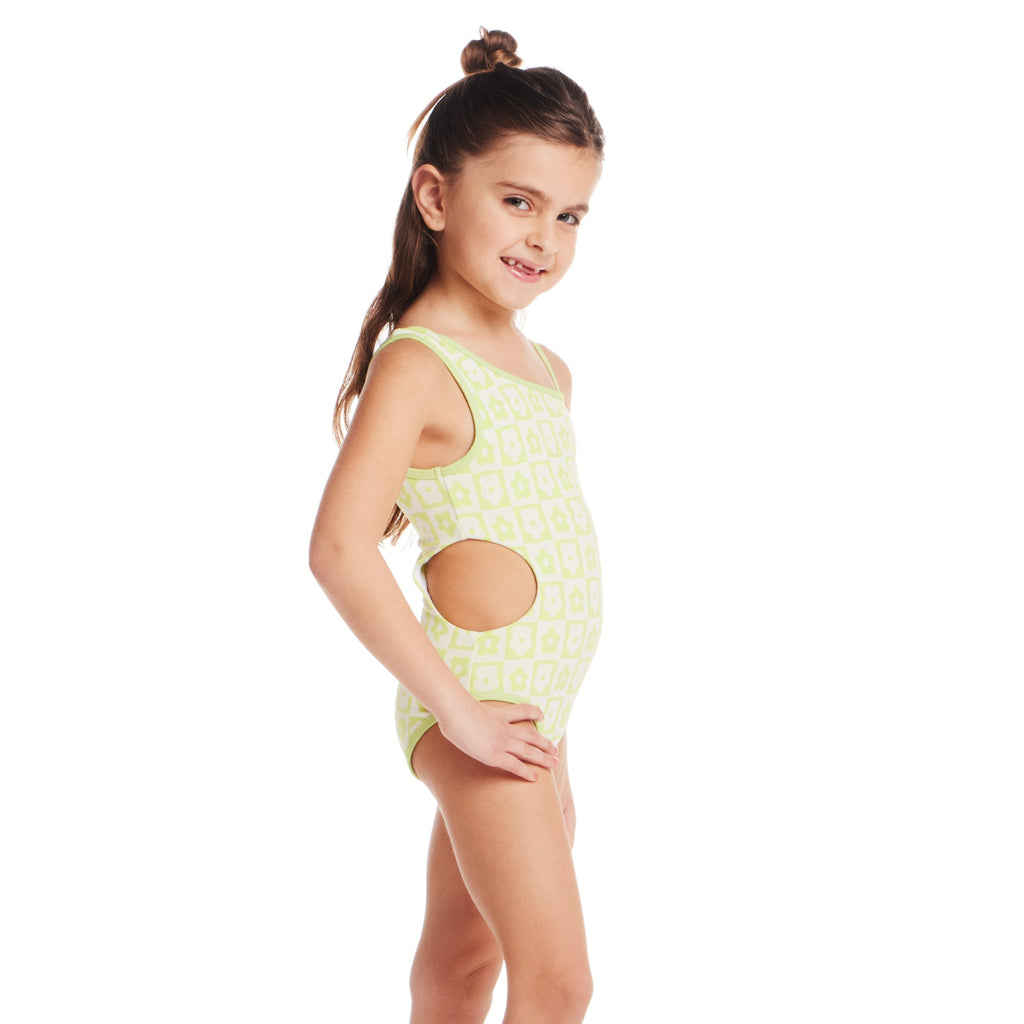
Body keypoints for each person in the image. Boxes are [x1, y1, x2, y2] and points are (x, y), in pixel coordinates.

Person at [309, 27, 605, 1024]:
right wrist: (462, 715)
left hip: (532, 715)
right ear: (435, 197)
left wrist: (550, 731)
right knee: (558, 983)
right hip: (474, 706)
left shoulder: (547, 372)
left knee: (457, 967)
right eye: (518, 202)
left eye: (569, 214)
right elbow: (338, 549)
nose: (544, 238)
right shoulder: (419, 362)